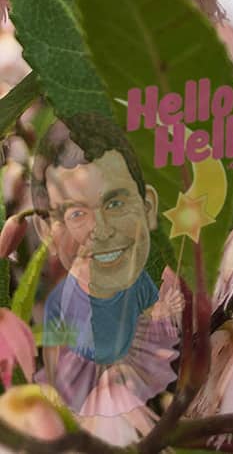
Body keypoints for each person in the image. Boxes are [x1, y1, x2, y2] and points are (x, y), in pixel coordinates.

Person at [31, 115, 181, 419]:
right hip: (82, 392)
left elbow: (156, 314)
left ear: (148, 208)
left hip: (139, 384)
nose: (100, 229)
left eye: (115, 205)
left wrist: (165, 313)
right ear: (47, 228)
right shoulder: (64, 297)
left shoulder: (143, 279)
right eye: (76, 214)